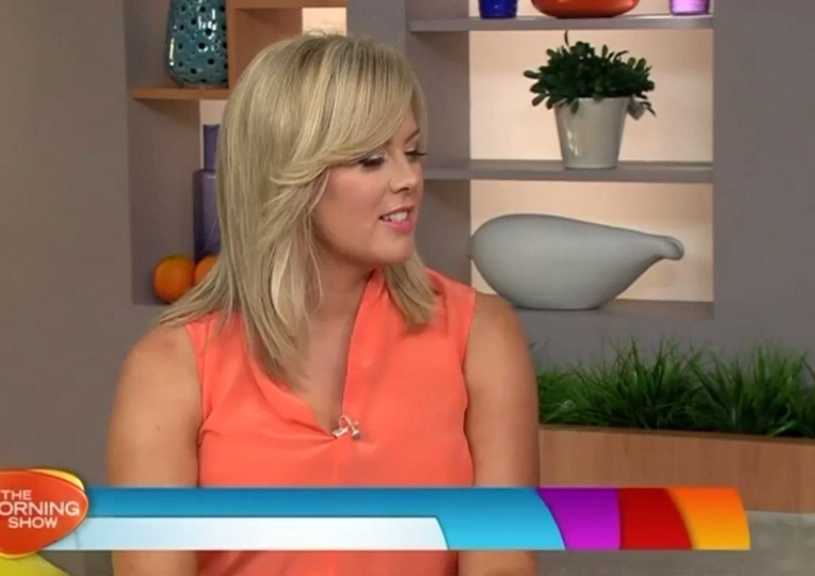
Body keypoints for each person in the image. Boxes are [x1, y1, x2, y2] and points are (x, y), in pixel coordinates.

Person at [107, 32, 540, 576]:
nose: (408, 179)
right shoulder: (169, 369)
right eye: (371, 159)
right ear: (288, 176)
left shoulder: (480, 336)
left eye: (412, 152)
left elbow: (502, 560)